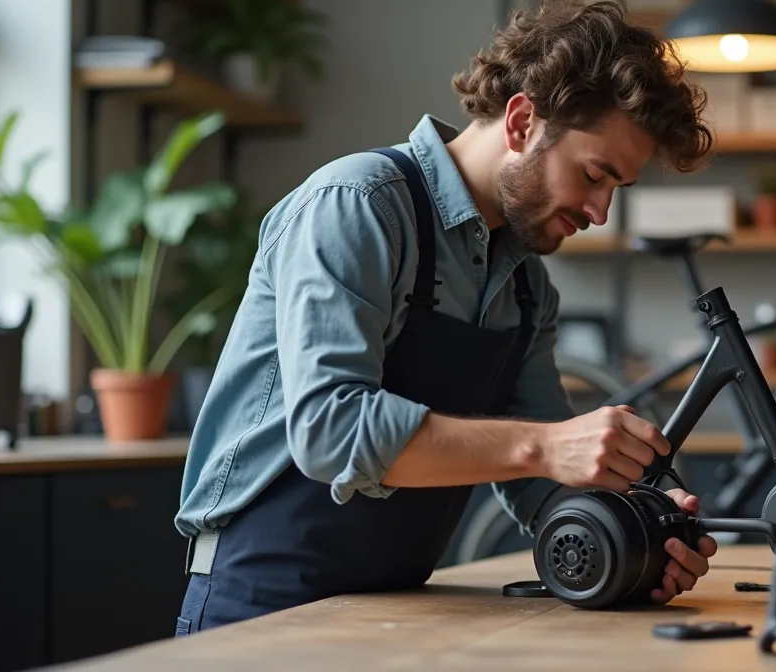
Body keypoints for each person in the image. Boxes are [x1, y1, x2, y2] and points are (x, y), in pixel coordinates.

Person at [173, 0, 717, 634]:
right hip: (260, 599)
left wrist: (638, 536)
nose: (599, 212)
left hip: (400, 611)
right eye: (594, 174)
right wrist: (545, 446)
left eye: (616, 189)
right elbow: (330, 427)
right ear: (521, 121)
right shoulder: (358, 207)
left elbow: (539, 484)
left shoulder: (529, 290)